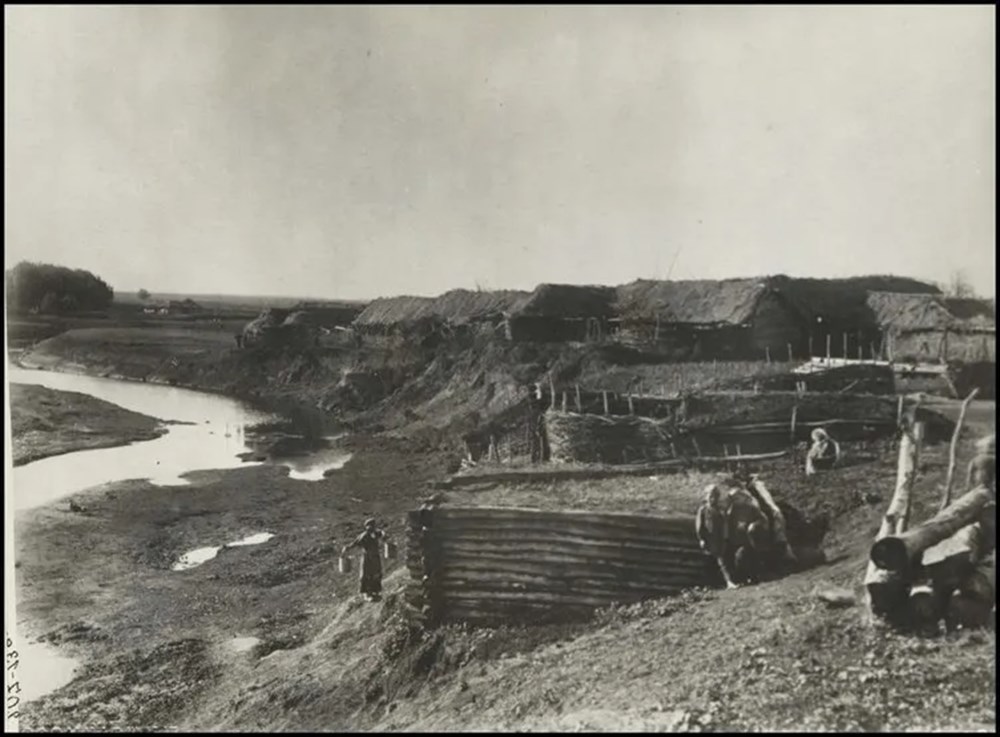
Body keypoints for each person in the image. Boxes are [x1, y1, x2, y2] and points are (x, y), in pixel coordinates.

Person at [341, 518, 390, 601]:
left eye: (373, 526)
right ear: (366, 527)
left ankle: (376, 591)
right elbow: (355, 543)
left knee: (376, 573)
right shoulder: (364, 536)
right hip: (367, 558)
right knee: (366, 574)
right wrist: (347, 548)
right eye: (370, 526)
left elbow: (381, 533)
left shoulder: (375, 533)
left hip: (375, 557)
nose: (372, 528)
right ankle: (366, 594)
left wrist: (384, 534)